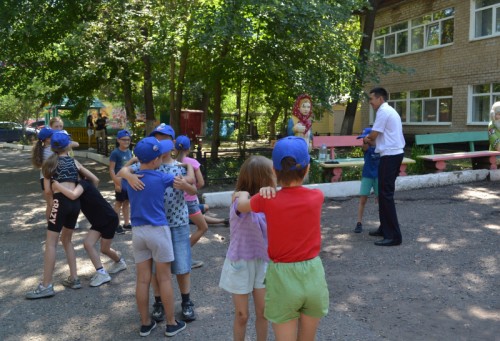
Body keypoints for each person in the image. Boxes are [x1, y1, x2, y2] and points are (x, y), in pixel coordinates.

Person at [234, 136, 329, 341]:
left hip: (282, 276)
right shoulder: (317, 196)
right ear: (307, 168)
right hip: (313, 274)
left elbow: (242, 206)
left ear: (274, 171)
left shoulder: (266, 200)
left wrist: (244, 193)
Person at [120, 124, 198, 324]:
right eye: (156, 138)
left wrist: (187, 183)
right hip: (156, 226)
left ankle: (186, 301)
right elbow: (123, 171)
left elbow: (193, 188)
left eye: (164, 138)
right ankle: (158, 303)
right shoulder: (144, 165)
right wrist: (128, 174)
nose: (160, 142)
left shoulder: (177, 167)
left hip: (177, 222)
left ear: (173, 143)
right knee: (155, 271)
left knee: (182, 265)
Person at [26, 132, 89, 299]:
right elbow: (88, 179)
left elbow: (47, 191)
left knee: (51, 243)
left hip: (59, 203)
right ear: (67, 146)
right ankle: (74, 278)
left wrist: (55, 198)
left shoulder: (49, 164)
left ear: (52, 146)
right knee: (67, 240)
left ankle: (46, 285)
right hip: (75, 204)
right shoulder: (74, 162)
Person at [219, 155, 276, 341]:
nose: (276, 177)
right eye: (272, 174)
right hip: (240, 263)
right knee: (242, 315)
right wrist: (252, 194)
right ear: (263, 179)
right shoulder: (240, 202)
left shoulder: (271, 201)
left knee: (264, 312)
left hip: (263, 262)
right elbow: (244, 201)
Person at [51, 176, 128, 288]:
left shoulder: (84, 183)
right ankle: (108, 269)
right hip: (98, 221)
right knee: (88, 244)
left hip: (108, 218)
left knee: (104, 249)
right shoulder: (75, 188)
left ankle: (115, 265)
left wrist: (57, 185)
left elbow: (74, 194)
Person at [362, 87, 406, 247]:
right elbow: (379, 139)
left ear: (380, 99)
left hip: (391, 155)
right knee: (384, 193)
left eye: (372, 99)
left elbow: (373, 135)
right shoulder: (388, 111)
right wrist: (370, 140)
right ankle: (384, 228)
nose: (371, 102)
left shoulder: (383, 111)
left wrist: (366, 138)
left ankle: (394, 236)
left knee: (386, 195)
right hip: (391, 154)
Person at [175, 135, 209, 269]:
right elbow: (200, 182)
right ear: (189, 148)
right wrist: (192, 189)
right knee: (203, 227)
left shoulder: (171, 162)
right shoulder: (192, 162)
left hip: (176, 201)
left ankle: (181, 256)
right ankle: (183, 256)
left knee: (181, 230)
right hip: (190, 201)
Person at [354, 127, 380, 234]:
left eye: (367, 138)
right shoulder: (367, 148)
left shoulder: (380, 148)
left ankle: (384, 223)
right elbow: (364, 147)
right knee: (363, 200)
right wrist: (365, 141)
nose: (364, 141)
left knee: (380, 200)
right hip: (367, 176)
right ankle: (359, 223)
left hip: (379, 177)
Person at [109, 129, 133, 235]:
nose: (126, 142)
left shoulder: (129, 152)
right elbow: (111, 169)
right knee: (119, 203)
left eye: (128, 140)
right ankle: (115, 224)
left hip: (128, 182)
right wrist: (116, 183)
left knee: (127, 202)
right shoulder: (115, 153)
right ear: (118, 140)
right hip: (120, 182)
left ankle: (126, 223)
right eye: (124, 140)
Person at [31, 127, 54, 221]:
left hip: (43, 178)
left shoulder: (40, 150)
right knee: (56, 205)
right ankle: (56, 227)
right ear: (48, 139)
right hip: (53, 178)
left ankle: (51, 226)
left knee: (50, 205)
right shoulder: (53, 148)